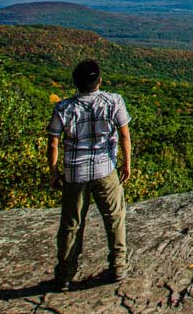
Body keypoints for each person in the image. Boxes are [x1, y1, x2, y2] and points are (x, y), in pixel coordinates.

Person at [47, 59, 132, 291]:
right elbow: (125, 135)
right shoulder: (113, 101)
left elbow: (53, 142)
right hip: (105, 169)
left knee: (72, 224)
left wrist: (53, 172)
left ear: (76, 83)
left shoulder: (63, 108)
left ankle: (65, 275)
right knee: (114, 217)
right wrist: (127, 164)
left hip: (75, 173)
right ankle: (118, 266)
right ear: (99, 81)